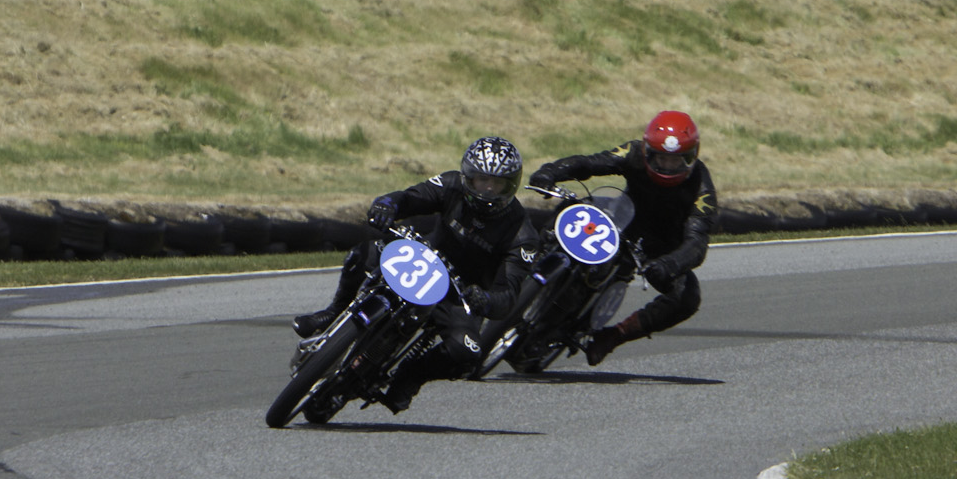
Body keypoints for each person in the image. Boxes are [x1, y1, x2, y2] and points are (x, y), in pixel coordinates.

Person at [292, 136, 539, 412]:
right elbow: (412, 197)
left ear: (511, 184)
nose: (489, 188)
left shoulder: (523, 234)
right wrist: (387, 204)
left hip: (461, 295)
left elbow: (508, 294)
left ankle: (410, 377)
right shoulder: (451, 184)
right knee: (363, 254)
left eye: (498, 183)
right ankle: (334, 312)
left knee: (467, 351)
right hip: (421, 260)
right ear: (469, 176)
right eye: (482, 180)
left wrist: (486, 300)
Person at [527, 110, 716, 366]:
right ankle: (529, 266)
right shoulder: (633, 152)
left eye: (676, 161)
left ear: (691, 157)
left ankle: (615, 335)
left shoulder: (702, 188)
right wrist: (550, 172)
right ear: (647, 152)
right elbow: (591, 163)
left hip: (660, 247)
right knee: (570, 208)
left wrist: (669, 264)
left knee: (687, 297)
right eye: (660, 158)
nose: (667, 166)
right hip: (620, 219)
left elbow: (697, 242)